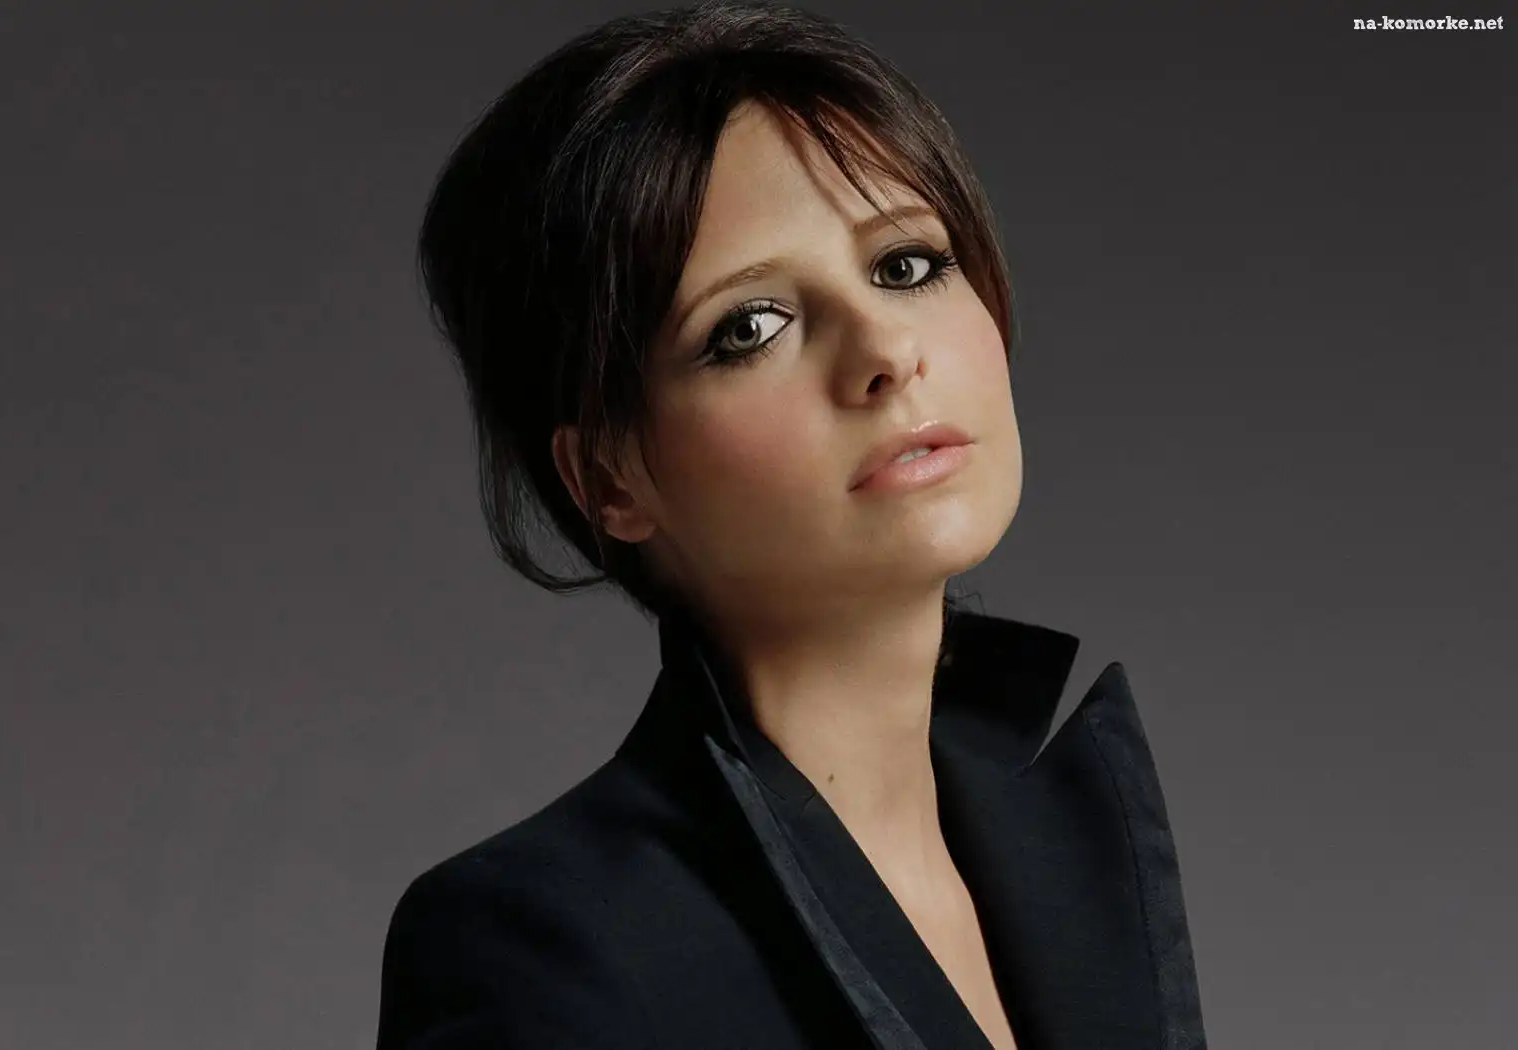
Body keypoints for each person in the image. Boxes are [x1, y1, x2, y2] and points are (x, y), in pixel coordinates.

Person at [377, 2, 1206, 1047]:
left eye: (906, 266)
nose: (885, 352)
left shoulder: (1062, 849)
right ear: (609, 479)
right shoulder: (540, 950)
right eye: (750, 327)